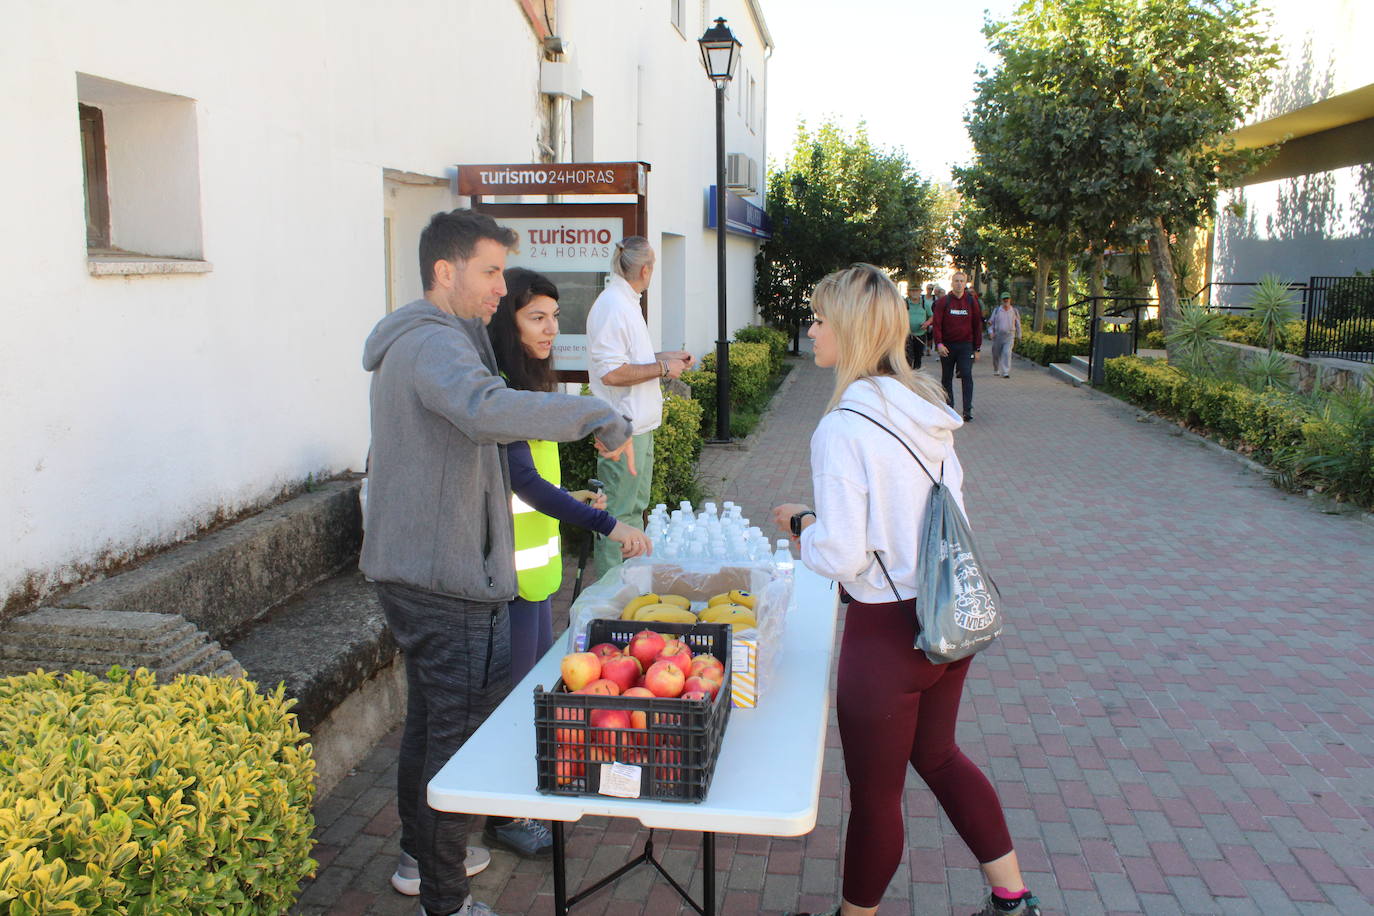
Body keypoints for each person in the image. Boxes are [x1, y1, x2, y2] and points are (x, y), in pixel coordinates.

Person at [362, 209, 636, 916]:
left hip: (421, 572)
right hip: (443, 579)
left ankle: (422, 864)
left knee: (431, 730)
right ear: (444, 271)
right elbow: (486, 409)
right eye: (489, 272)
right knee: (456, 746)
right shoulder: (433, 344)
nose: (498, 287)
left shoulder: (439, 339)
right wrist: (596, 415)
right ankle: (447, 899)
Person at [770, 264, 1042, 916]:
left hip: (885, 636)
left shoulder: (842, 428)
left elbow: (842, 555)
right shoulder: (925, 410)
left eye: (819, 319)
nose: (811, 330)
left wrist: (802, 524)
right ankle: (1013, 896)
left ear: (849, 330)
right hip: (946, 619)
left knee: (875, 798)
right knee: (940, 758)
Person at [477, 267, 653, 859]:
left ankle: (517, 802)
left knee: (530, 693)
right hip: (506, 580)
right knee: (511, 702)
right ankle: (503, 816)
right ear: (507, 322)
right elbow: (522, 482)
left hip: (534, 578)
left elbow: (532, 480)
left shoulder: (530, 387)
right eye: (536, 317)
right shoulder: (501, 390)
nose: (551, 329)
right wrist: (609, 524)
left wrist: (573, 497)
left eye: (554, 317)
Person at [585, 236, 694, 576]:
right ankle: (610, 590)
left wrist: (665, 358)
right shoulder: (614, 305)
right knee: (617, 516)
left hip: (636, 428)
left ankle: (625, 585)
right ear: (646, 270)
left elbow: (627, 362)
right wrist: (662, 367)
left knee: (632, 512)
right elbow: (612, 373)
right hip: (622, 430)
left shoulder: (624, 302)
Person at [932, 271, 983, 421]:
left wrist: (977, 348)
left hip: (965, 346)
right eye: (956, 281)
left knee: (966, 375)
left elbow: (977, 325)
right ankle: (949, 408)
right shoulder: (944, 302)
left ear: (965, 283)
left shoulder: (971, 302)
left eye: (962, 281)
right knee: (946, 378)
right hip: (947, 346)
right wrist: (939, 343)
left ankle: (967, 410)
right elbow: (937, 324)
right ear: (952, 283)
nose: (959, 284)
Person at [988, 293, 1022, 378]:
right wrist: (991, 332)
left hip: (1009, 336)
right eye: (1004, 299)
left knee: (1007, 353)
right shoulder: (997, 310)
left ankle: (1006, 372)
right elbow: (991, 323)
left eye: (1007, 299)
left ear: (1010, 300)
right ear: (1001, 300)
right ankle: (996, 369)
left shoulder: (1014, 311)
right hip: (998, 336)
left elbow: (1018, 324)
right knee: (996, 354)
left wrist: (1019, 335)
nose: (1006, 300)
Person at [904, 283, 933, 369]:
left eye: (916, 291)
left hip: (921, 335)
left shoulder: (925, 303)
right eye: (912, 291)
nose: (914, 293)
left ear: (920, 292)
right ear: (909, 292)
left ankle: (916, 374)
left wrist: (927, 323)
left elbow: (932, 316)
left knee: (918, 357)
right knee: (907, 358)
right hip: (907, 335)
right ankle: (908, 374)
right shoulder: (904, 303)